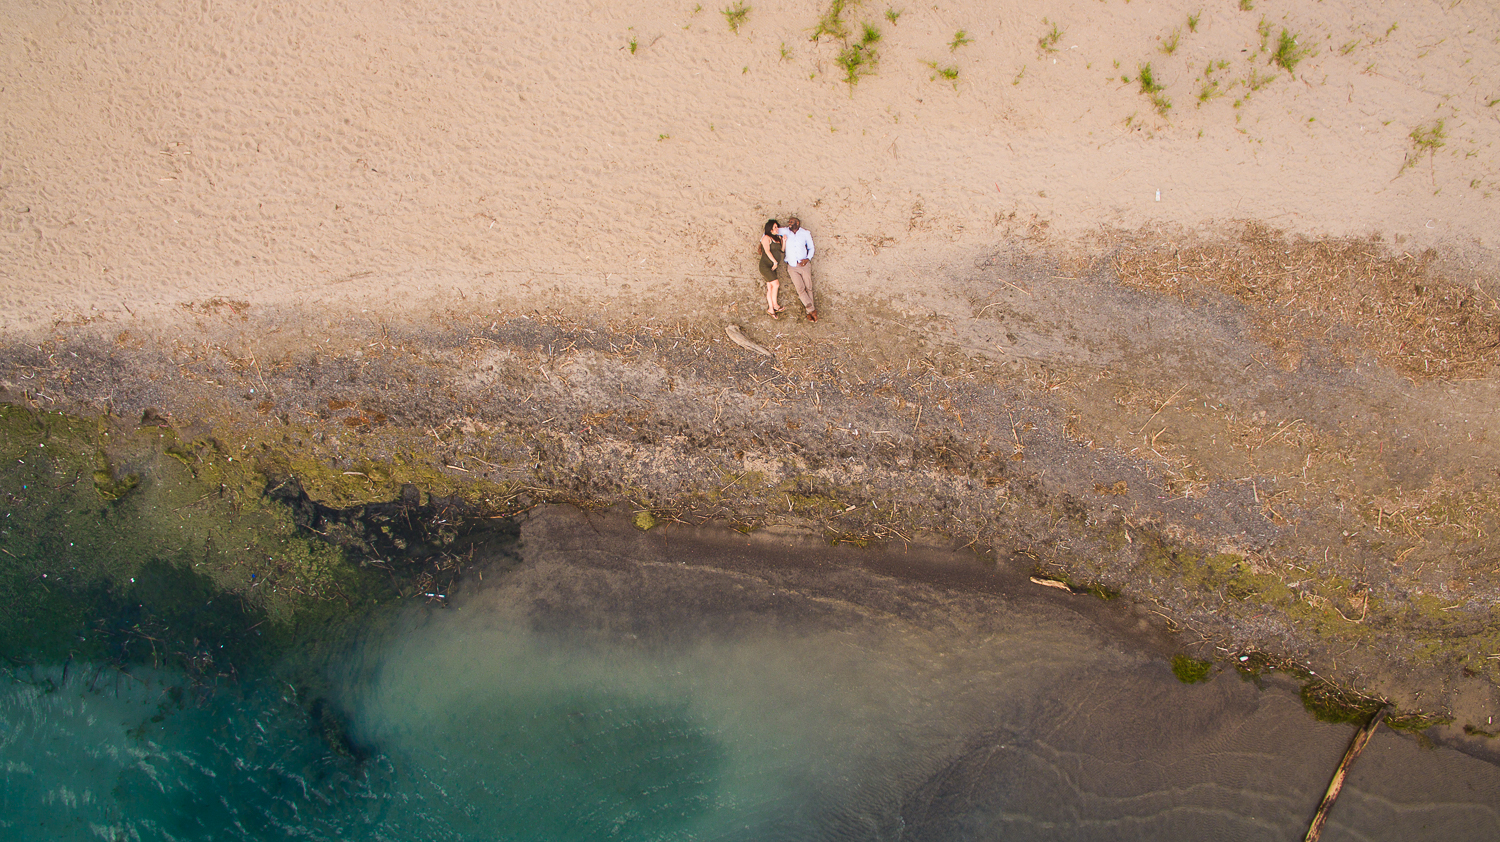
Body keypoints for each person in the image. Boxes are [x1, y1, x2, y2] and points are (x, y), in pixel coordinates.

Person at [776, 216, 817, 321]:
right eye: (789, 222)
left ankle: (810, 312)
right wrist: (763, 239)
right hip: (792, 266)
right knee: (800, 289)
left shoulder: (805, 233)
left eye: (791, 222)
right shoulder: (785, 231)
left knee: (809, 287)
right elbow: (773, 231)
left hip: (804, 265)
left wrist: (808, 259)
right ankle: (812, 311)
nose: (789, 223)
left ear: (797, 223)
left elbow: (811, 248)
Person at [758, 219, 787, 318]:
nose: (777, 229)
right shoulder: (766, 238)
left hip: (773, 267)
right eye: (774, 227)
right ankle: (775, 305)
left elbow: (781, 251)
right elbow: (767, 251)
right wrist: (775, 262)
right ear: (770, 229)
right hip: (765, 266)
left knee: (770, 287)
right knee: (776, 284)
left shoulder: (777, 238)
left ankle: (771, 309)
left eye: (777, 227)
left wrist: (784, 241)